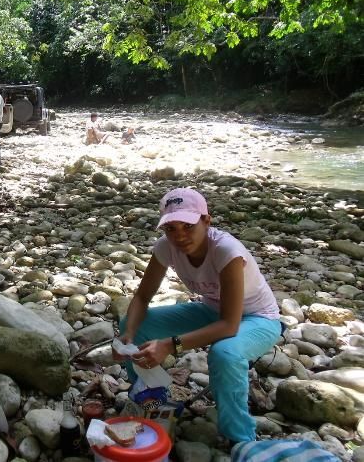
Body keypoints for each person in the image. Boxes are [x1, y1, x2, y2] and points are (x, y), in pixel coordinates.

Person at [114, 188, 281, 445]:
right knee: (134, 325)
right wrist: (128, 335)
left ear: (206, 221)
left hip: (257, 318)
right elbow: (142, 297)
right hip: (210, 310)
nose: (180, 236)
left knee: (225, 354)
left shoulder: (226, 251)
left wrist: (170, 345)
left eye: (188, 226)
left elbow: (229, 325)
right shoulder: (166, 247)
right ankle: (151, 400)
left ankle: (241, 439)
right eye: (171, 228)